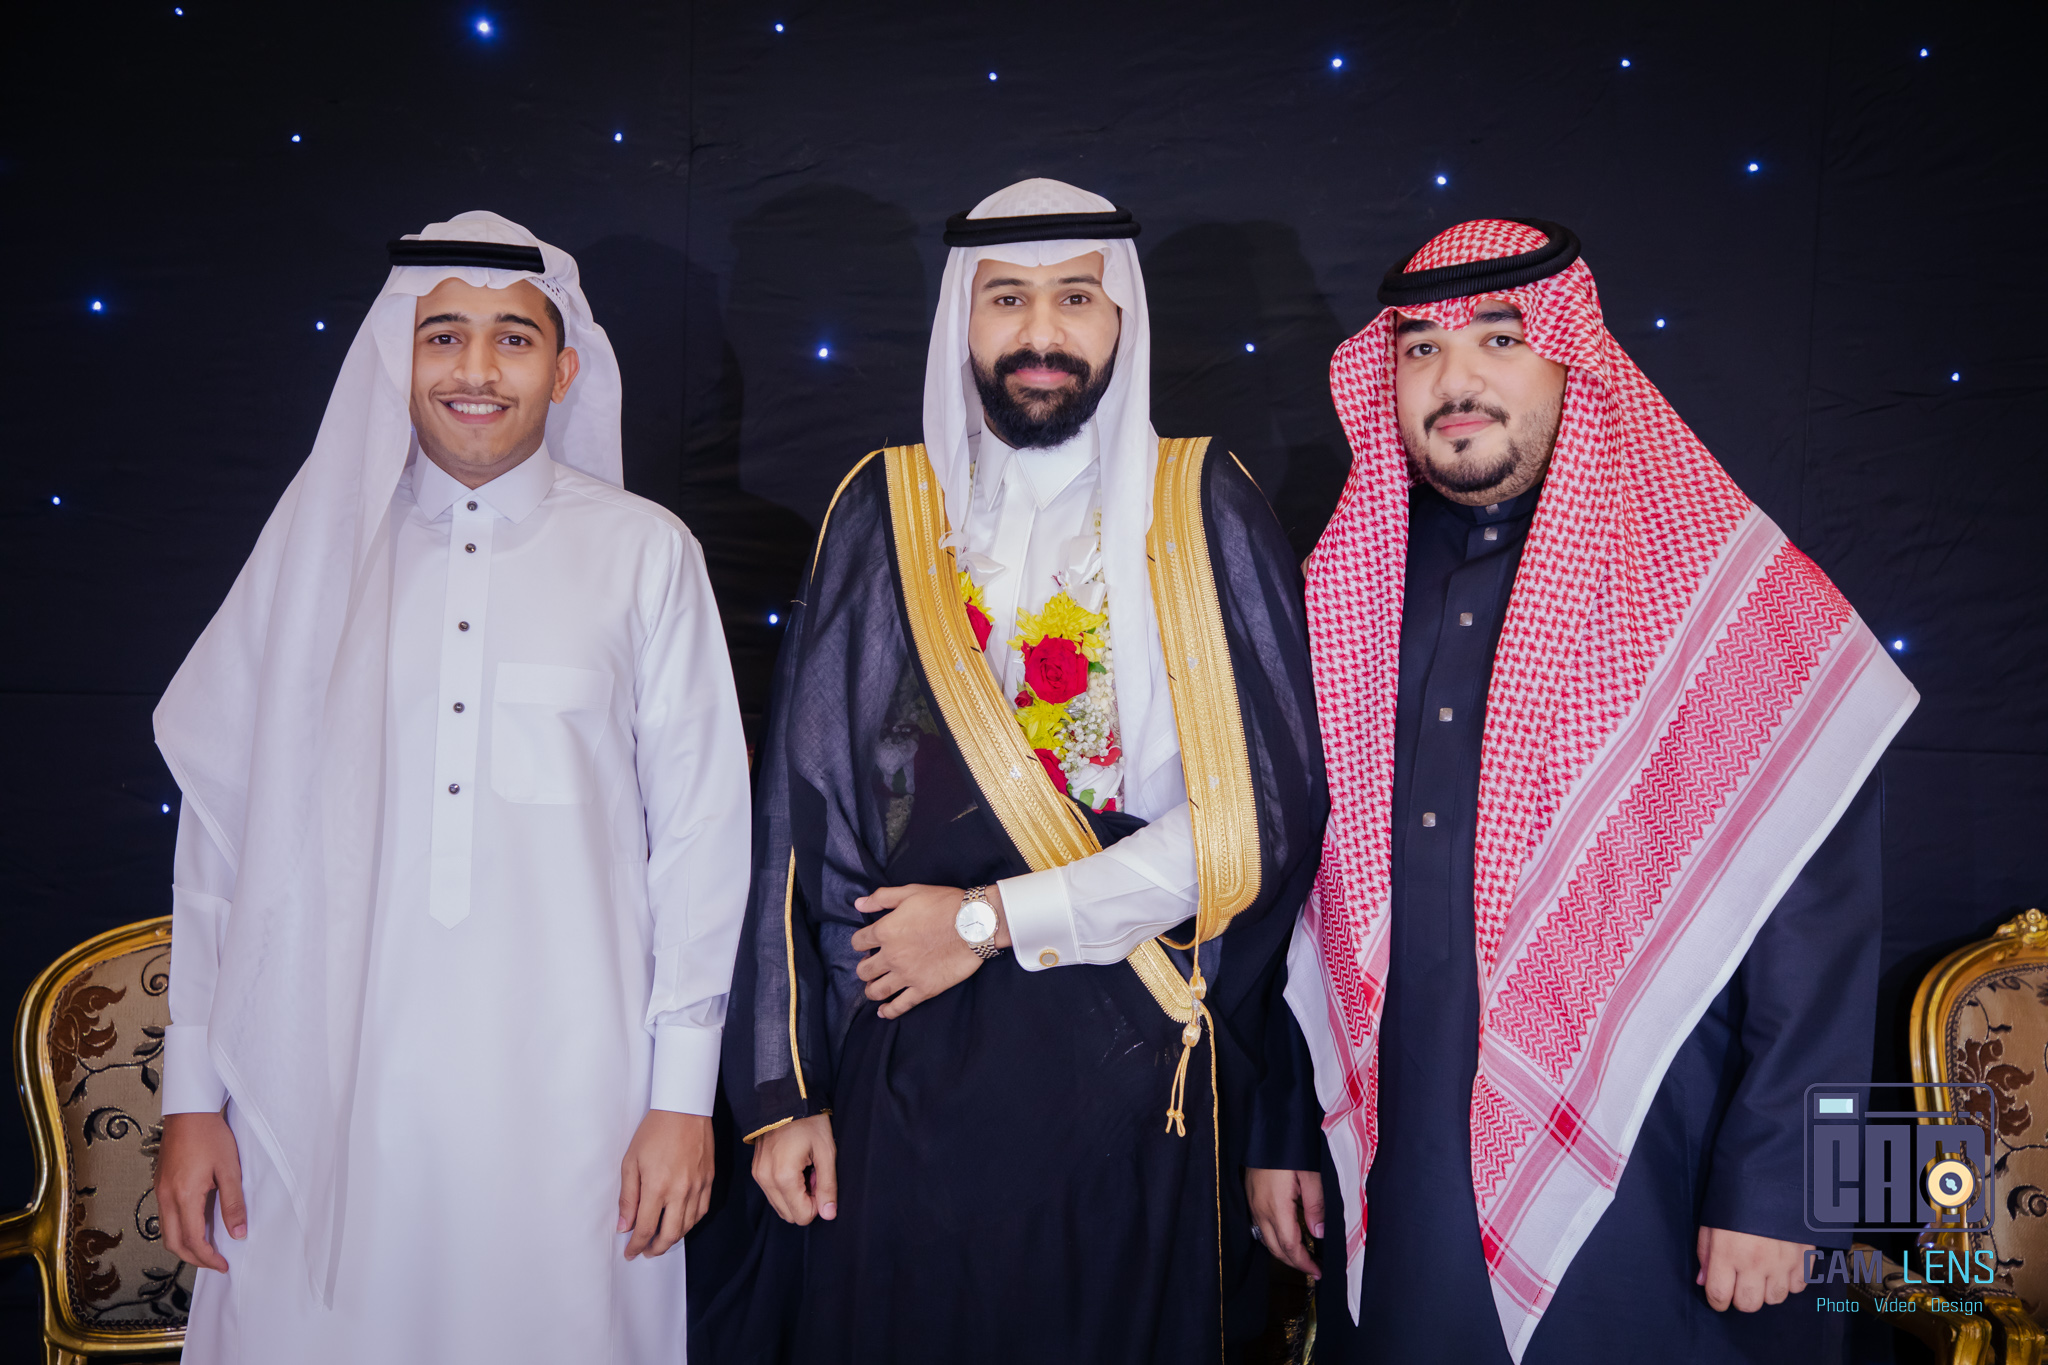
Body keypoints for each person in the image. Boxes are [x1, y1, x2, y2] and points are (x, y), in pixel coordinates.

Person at [1248, 218, 1917, 1361]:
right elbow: (1289, 897)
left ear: (1573, 358)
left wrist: (1791, 1194)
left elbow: (1823, 934)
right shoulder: (1338, 593)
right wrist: (1279, 1127)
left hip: (1661, 1159)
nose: (1454, 380)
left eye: (1499, 339)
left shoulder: (1724, 591)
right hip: (1395, 1151)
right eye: (1419, 350)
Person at [697, 178, 1326, 1364]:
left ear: (1120, 317)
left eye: (1074, 297)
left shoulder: (1200, 504)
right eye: (1007, 299)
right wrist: (785, 1089)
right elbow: (801, 814)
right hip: (906, 1060)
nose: (1041, 332)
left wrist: (988, 921)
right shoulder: (884, 506)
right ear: (962, 319)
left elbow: (1257, 822)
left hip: (1129, 1056)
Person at [151, 212, 751, 1363]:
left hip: (574, 1091)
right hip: (322, 1084)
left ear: (562, 369)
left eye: (512, 339)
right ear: (397, 356)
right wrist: (191, 1097)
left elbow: (700, 840)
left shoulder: (645, 552)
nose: (475, 370)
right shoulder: (313, 554)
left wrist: (680, 1098)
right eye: (443, 336)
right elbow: (221, 840)